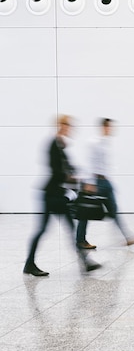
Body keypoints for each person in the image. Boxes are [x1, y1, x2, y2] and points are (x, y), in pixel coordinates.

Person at [24, 115, 100, 276]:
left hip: (57, 195)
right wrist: (76, 179)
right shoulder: (54, 144)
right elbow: (57, 172)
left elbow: (70, 168)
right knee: (43, 230)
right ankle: (29, 264)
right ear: (59, 125)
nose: (69, 128)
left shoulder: (60, 145)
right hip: (51, 195)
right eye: (66, 125)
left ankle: (85, 263)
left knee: (68, 228)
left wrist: (81, 179)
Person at [76, 118, 134, 249]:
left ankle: (128, 237)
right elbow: (89, 162)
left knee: (113, 210)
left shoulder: (106, 143)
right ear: (103, 127)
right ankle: (80, 240)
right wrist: (89, 182)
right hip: (95, 181)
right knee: (86, 211)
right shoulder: (93, 142)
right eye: (109, 127)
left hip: (105, 182)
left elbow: (104, 164)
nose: (111, 130)